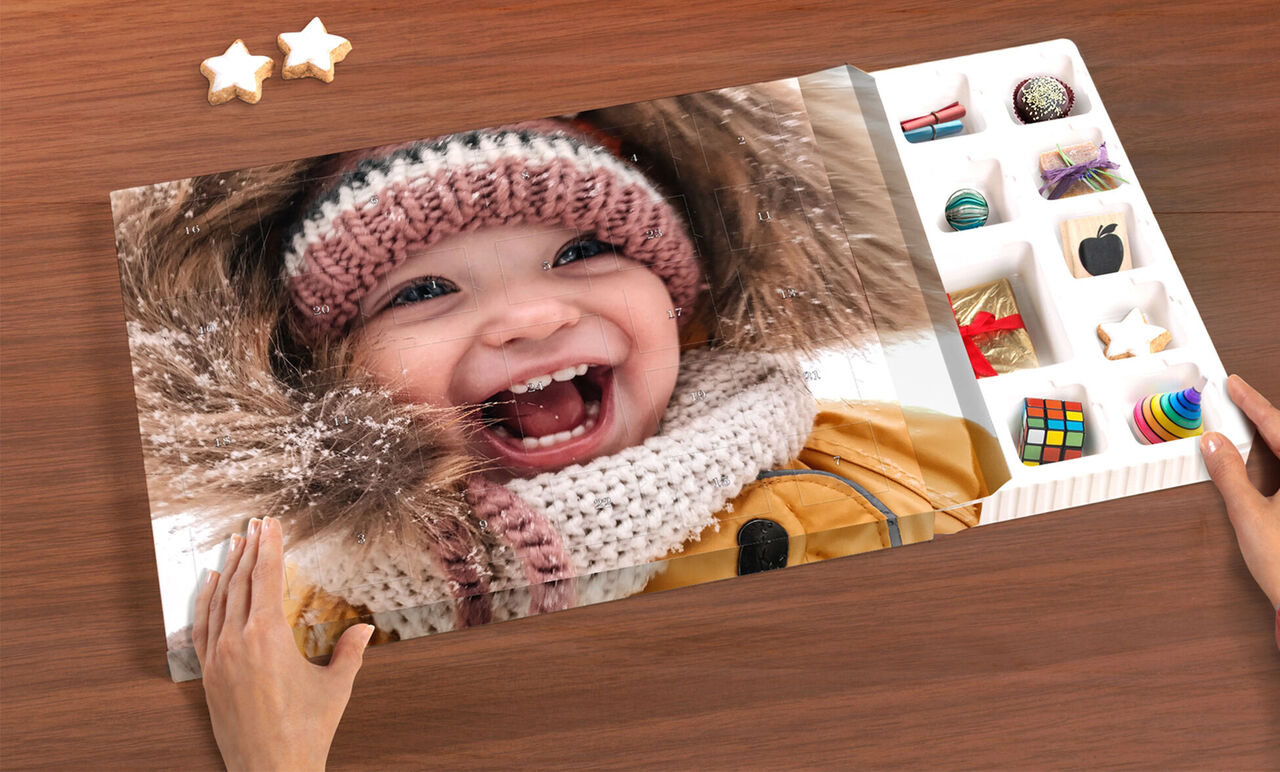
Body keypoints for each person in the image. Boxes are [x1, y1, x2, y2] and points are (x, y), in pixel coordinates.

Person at [194, 374, 1279, 770]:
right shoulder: (313, 604)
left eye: (585, 253)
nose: (528, 317)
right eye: (424, 287)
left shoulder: (856, 442)